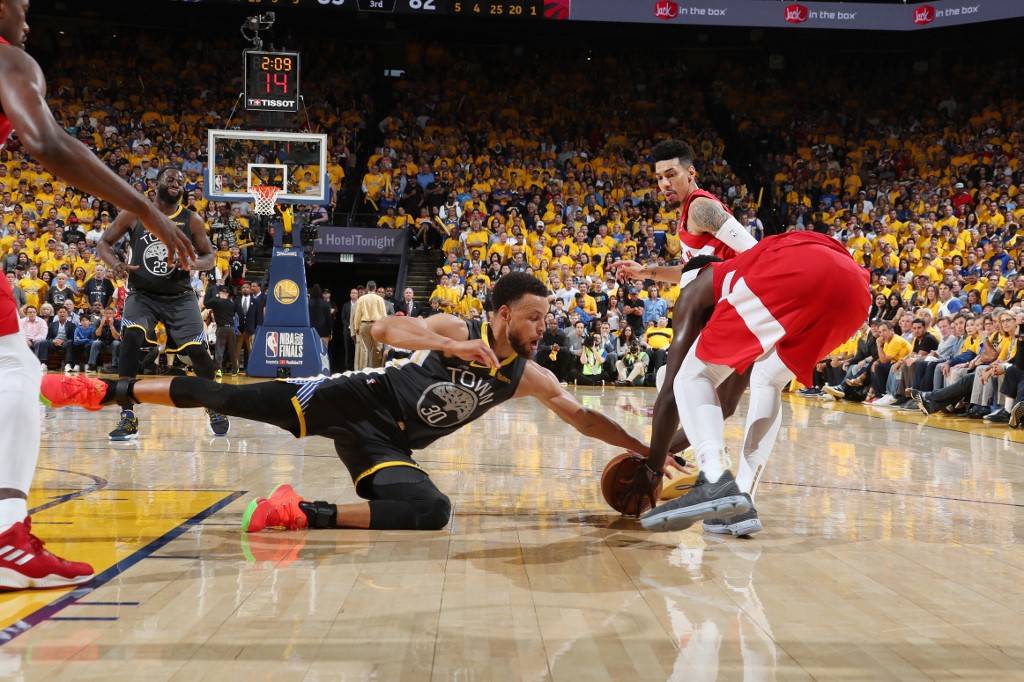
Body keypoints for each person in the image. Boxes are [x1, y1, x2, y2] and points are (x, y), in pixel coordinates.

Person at [42, 273, 674, 533]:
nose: (543, 328)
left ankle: (300, 512)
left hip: (387, 442)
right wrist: (446, 345)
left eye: (546, 319)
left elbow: (582, 416)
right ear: (504, 314)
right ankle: (104, 391)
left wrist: (647, 449)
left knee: (431, 511)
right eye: (535, 317)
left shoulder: (525, 376)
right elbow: (383, 329)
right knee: (227, 395)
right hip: (353, 398)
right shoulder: (458, 329)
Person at [0, 0, 195, 589]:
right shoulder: (9, 61)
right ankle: (7, 538)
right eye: (21, 4)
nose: (27, 17)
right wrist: (145, 210)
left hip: (168, 297)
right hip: (146, 294)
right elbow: (47, 139)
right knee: (14, 370)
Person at [633, 232, 870, 535]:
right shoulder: (746, 286)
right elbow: (725, 406)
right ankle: (741, 502)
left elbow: (670, 395)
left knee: (689, 377)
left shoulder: (698, 288)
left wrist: (651, 466)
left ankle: (715, 481)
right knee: (768, 379)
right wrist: (666, 450)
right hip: (854, 293)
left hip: (798, 270)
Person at [97, 168, 227, 440]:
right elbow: (104, 244)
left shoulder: (191, 220)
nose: (176, 182)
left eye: (181, 181)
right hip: (142, 294)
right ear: (156, 184)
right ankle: (127, 414)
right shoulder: (134, 213)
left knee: (198, 352)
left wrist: (192, 263)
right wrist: (115, 263)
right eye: (170, 178)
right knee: (130, 339)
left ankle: (214, 404)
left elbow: (210, 257)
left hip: (179, 296)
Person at [351, 281, 387, 370]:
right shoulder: (380, 299)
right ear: (375, 288)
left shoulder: (361, 299)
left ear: (367, 288)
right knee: (377, 349)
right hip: (377, 326)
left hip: (364, 325)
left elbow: (357, 314)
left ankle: (363, 371)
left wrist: (356, 327)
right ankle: (375, 371)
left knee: (364, 349)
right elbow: (384, 315)